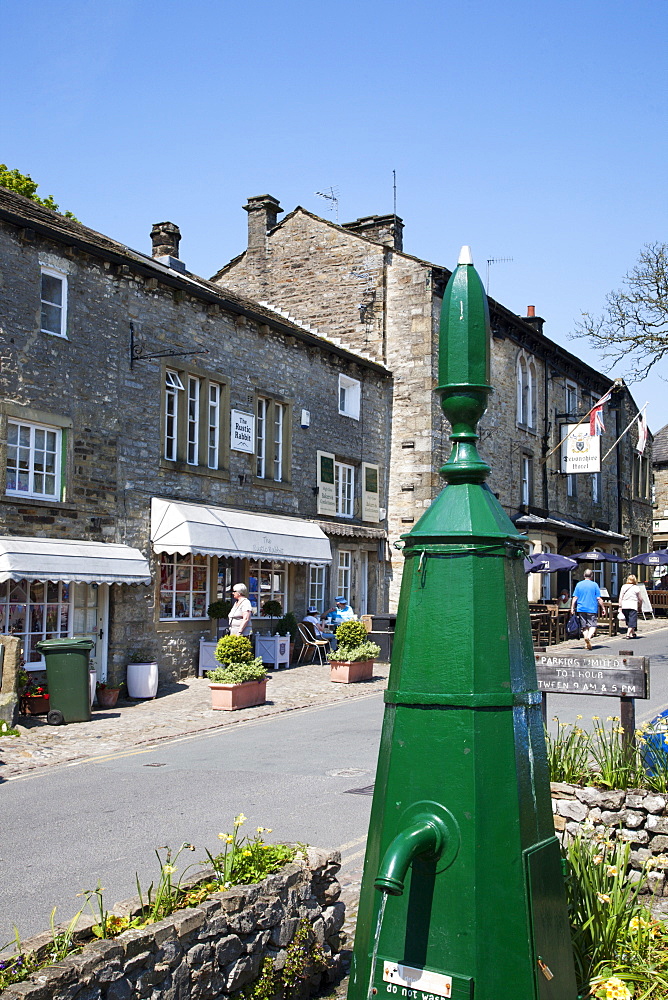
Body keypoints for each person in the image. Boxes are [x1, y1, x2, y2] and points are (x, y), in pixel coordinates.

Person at [570, 569, 604, 651]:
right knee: (593, 625)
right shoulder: (595, 585)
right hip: (592, 608)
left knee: (584, 627)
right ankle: (588, 637)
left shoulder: (579, 584)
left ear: (584, 575)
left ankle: (586, 642)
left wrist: (572, 607)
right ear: (592, 576)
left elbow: (575, 597)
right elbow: (599, 598)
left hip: (581, 608)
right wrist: (603, 608)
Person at [618, 574, 642, 639]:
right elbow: (640, 598)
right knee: (632, 620)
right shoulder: (636, 587)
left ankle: (633, 633)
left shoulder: (623, 586)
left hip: (624, 605)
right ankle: (628, 634)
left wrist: (620, 606)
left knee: (628, 620)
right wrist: (640, 605)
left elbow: (620, 597)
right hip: (633, 605)